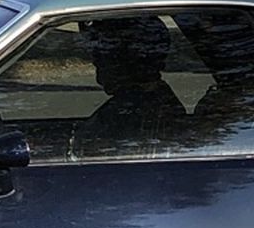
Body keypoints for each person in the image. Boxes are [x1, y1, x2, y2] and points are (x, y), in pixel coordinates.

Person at [77, 16, 187, 154]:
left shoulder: (130, 115)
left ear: (122, 62)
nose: (98, 71)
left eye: (99, 59)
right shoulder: (157, 104)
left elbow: (92, 151)